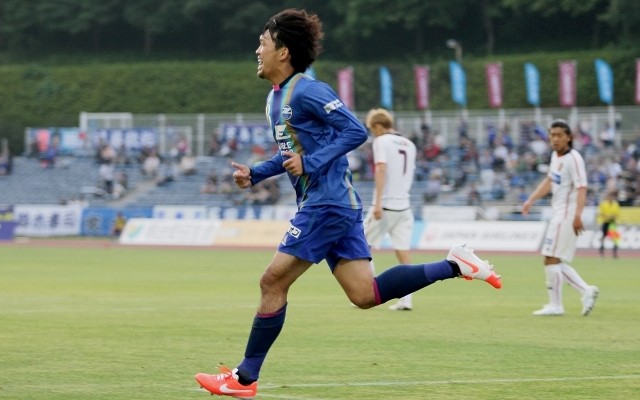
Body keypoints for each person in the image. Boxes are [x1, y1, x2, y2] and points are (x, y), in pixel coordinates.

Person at [194, 9, 502, 399]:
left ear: (283, 51)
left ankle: (244, 378)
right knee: (364, 295)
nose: (257, 50)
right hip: (333, 205)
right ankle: (455, 264)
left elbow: (355, 131)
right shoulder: (275, 100)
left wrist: (311, 162)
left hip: (327, 204)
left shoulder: (308, 90)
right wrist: (256, 173)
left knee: (272, 281)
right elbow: (290, 154)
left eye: (263, 43)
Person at [522, 119, 599, 317]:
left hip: (567, 215)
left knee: (550, 258)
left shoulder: (574, 158)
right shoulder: (555, 156)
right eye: (552, 135)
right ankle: (584, 291)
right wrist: (531, 200)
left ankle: (558, 304)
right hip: (559, 213)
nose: (555, 139)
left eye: (559, 135)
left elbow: (582, 187)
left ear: (569, 137)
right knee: (552, 259)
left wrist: (578, 215)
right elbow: (550, 180)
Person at [363, 108, 417, 311]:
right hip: (404, 207)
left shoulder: (381, 141)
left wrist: (377, 203)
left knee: (362, 248)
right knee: (403, 254)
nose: (373, 133)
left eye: (372, 129)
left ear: (378, 126)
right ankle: (407, 300)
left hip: (385, 205)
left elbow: (381, 169)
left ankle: (367, 294)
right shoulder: (409, 144)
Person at [597, 190, 620, 258]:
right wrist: (609, 216)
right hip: (605, 222)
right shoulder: (603, 204)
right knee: (603, 236)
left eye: (612, 197)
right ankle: (601, 252)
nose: (611, 198)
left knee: (615, 238)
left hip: (612, 223)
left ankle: (614, 253)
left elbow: (617, 214)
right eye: (610, 196)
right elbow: (601, 213)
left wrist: (612, 216)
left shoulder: (616, 204)